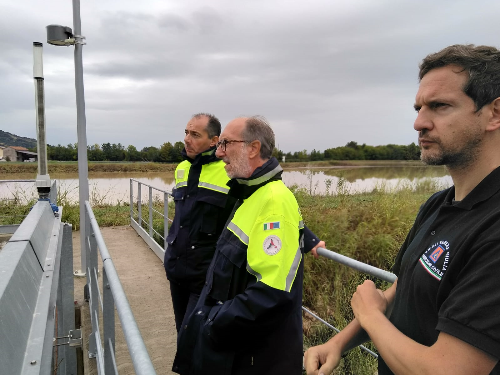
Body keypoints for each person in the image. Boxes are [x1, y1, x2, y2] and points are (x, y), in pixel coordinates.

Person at [304, 44, 500, 375]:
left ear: (494, 113)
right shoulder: (438, 205)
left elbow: (448, 371)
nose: (419, 123)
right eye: (419, 108)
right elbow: (403, 288)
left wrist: (369, 316)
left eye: (439, 106)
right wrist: (339, 342)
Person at [172, 116, 322, 375]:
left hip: (250, 357)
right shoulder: (248, 193)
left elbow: (272, 294)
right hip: (233, 347)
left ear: (253, 148)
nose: (219, 153)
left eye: (226, 144)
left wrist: (210, 321)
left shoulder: (274, 201)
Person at [164, 113, 236, 333]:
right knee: (182, 332)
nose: (187, 139)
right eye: (186, 132)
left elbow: (263, 204)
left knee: (194, 337)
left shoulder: (229, 172)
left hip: (206, 276)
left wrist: (306, 238)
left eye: (195, 134)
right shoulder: (181, 169)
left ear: (214, 141)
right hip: (177, 269)